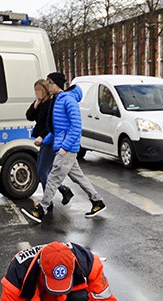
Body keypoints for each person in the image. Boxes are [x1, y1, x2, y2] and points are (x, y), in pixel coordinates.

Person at [21, 72, 106, 224]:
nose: (48, 86)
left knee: (53, 178)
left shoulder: (68, 101)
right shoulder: (58, 100)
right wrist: (45, 140)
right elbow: (57, 129)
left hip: (67, 148)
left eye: (50, 83)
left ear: (57, 84)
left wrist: (65, 147)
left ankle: (42, 209)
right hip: (61, 145)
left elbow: (76, 127)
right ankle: (97, 202)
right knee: (78, 177)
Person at [26, 79, 73, 211]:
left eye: (39, 90)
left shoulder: (52, 103)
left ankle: (48, 201)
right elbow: (29, 116)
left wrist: (42, 136)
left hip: (51, 140)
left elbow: (51, 125)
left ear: (46, 90)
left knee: (42, 171)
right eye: (35, 90)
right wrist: (36, 103)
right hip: (44, 140)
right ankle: (63, 190)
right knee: (46, 171)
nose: (37, 93)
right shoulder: (41, 103)